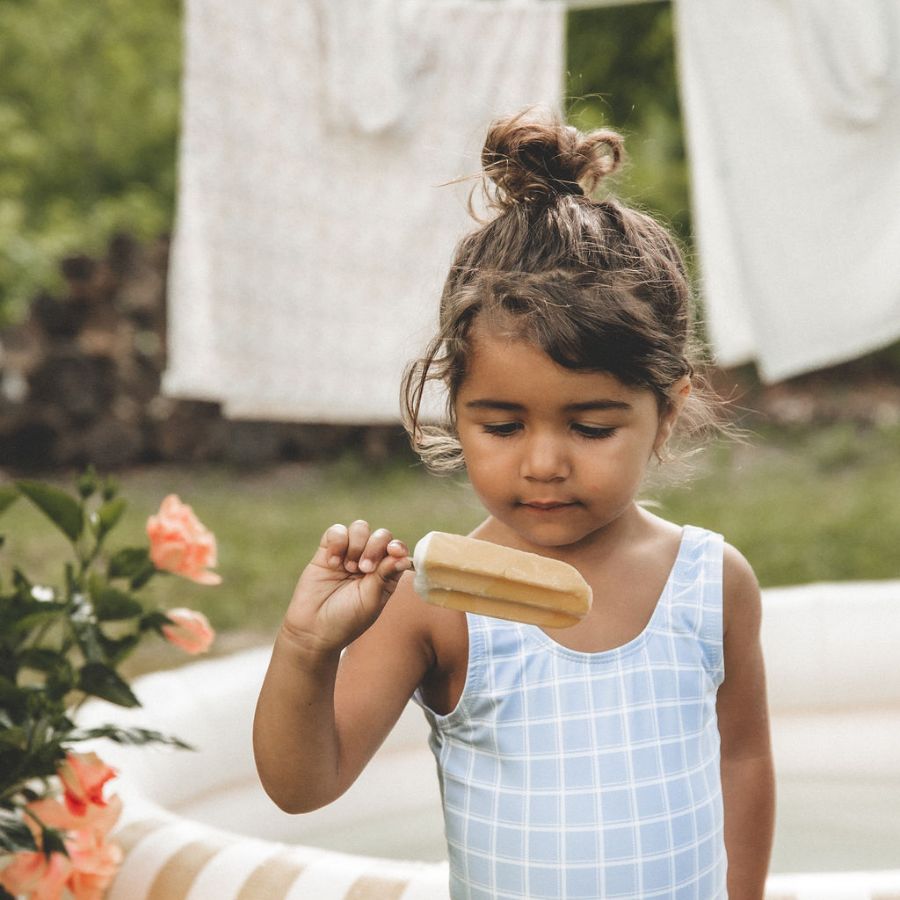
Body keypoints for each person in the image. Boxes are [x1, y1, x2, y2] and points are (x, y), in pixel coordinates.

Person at [254, 110, 776, 899]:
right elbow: (303, 785)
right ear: (457, 411)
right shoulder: (434, 604)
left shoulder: (711, 584)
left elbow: (742, 758)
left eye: (591, 427)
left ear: (666, 414)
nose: (544, 464)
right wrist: (306, 645)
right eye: (501, 426)